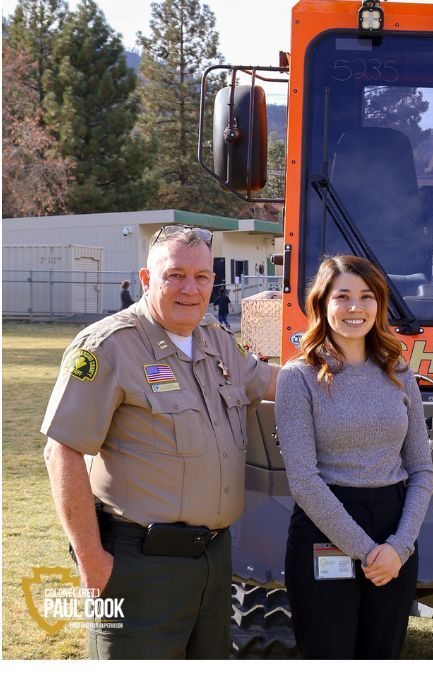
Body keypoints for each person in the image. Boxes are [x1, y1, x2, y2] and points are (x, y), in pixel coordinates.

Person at [41, 224, 278, 659]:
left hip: (214, 561)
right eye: (175, 275)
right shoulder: (108, 347)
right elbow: (62, 450)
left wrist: (360, 367)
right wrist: (93, 561)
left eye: (203, 276)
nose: (191, 288)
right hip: (139, 564)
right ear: (147, 279)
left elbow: (277, 384)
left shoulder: (217, 341)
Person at [275, 254, 433, 659]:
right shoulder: (298, 377)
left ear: (379, 305)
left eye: (366, 297)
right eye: (342, 296)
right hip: (325, 529)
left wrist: (399, 548)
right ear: (322, 304)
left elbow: (421, 469)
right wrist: (367, 552)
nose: (354, 308)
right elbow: (304, 481)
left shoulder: (398, 370)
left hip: (393, 532)